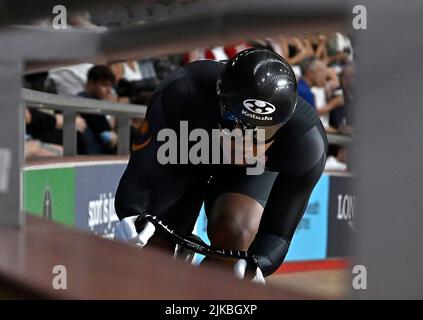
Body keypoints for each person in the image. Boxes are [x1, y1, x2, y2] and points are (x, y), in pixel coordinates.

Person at [114, 49, 327, 283]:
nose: (245, 141)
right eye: (236, 123)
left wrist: (256, 264)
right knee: (153, 245)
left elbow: (277, 232)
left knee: (236, 239)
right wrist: (133, 214)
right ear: (220, 102)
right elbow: (140, 175)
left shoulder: (307, 143)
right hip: (185, 150)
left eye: (262, 132)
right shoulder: (183, 90)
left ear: (284, 126)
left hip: (246, 170)